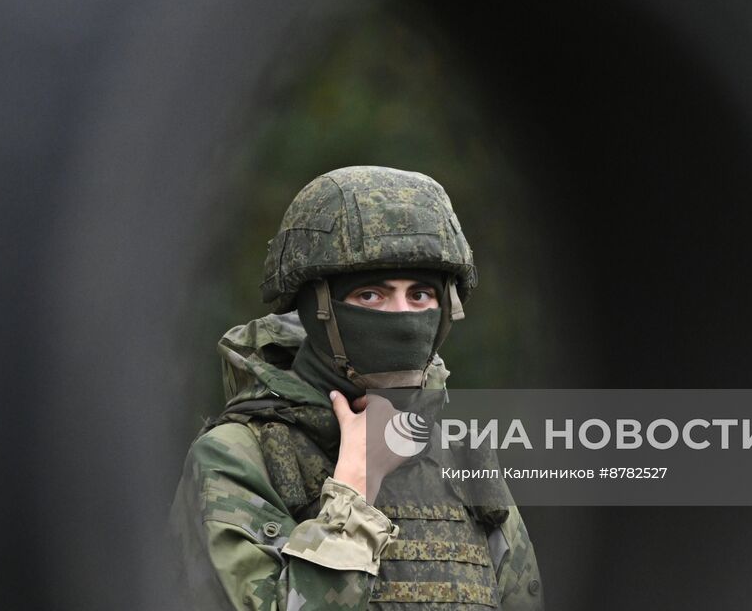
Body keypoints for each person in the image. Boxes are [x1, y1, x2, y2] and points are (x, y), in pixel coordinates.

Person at [170, 165, 545, 610]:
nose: (403, 316)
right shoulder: (238, 459)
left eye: (420, 295)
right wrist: (354, 488)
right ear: (317, 309)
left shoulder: (464, 458)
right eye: (371, 295)